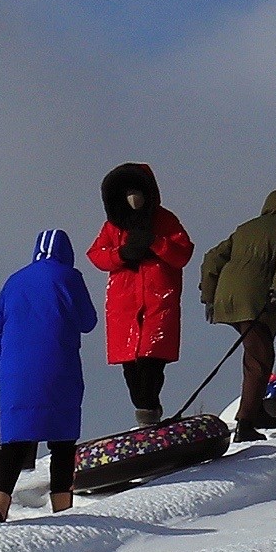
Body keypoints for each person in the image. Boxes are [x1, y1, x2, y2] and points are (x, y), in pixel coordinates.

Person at [0, 228, 95, 520]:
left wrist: (5, 370)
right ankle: (62, 510)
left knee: (12, 443)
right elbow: (89, 321)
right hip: (59, 369)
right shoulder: (69, 277)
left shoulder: (12, 282)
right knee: (62, 442)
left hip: (14, 376)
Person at [198, 188, 276, 440]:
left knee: (256, 350)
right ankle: (245, 422)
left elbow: (211, 258)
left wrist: (209, 296)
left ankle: (257, 410)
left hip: (226, 298)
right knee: (259, 358)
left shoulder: (244, 229)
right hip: (254, 298)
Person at [91, 163, 193, 427]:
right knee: (132, 371)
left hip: (158, 304)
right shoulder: (113, 226)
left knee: (151, 364)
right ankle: (147, 415)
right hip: (125, 309)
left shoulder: (165, 220)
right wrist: (122, 254)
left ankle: (148, 416)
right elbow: (97, 255)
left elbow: (182, 254)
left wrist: (155, 242)